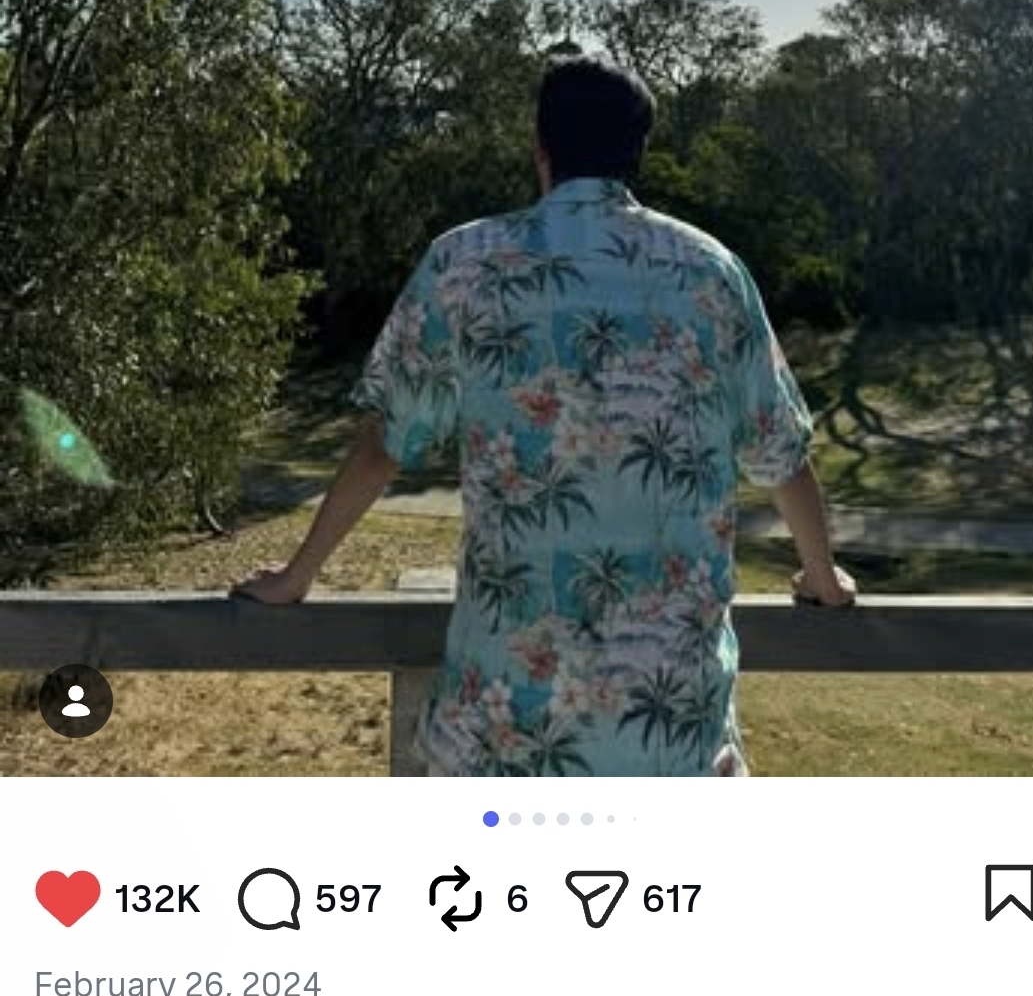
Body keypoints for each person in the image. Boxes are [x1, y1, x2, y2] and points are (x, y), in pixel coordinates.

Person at [235, 54, 855, 776]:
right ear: (638, 153)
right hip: (673, 746)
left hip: (503, 738)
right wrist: (823, 578)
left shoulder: (464, 263)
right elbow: (781, 453)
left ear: (541, 147)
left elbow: (385, 442)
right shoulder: (712, 271)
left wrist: (298, 575)